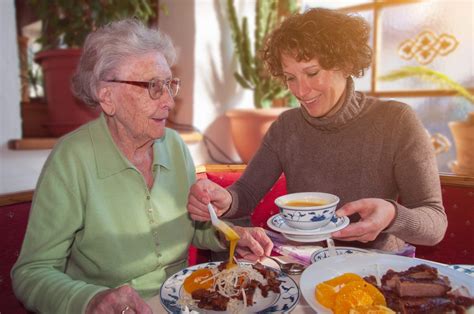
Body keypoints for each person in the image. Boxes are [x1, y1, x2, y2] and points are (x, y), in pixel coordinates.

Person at [11, 18, 272, 314]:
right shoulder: (71, 160)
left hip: (186, 303)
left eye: (169, 85)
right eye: (152, 87)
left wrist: (232, 235)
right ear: (107, 97)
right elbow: (31, 272)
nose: (168, 102)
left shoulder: (174, 147)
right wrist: (90, 300)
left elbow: (196, 228)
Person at [187, 8, 447, 252]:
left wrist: (392, 215)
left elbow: (435, 223)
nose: (300, 91)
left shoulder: (396, 121)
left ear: (344, 65)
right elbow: (245, 194)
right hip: (302, 265)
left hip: (376, 273)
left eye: (312, 73)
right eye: (291, 78)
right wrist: (226, 199)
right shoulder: (286, 127)